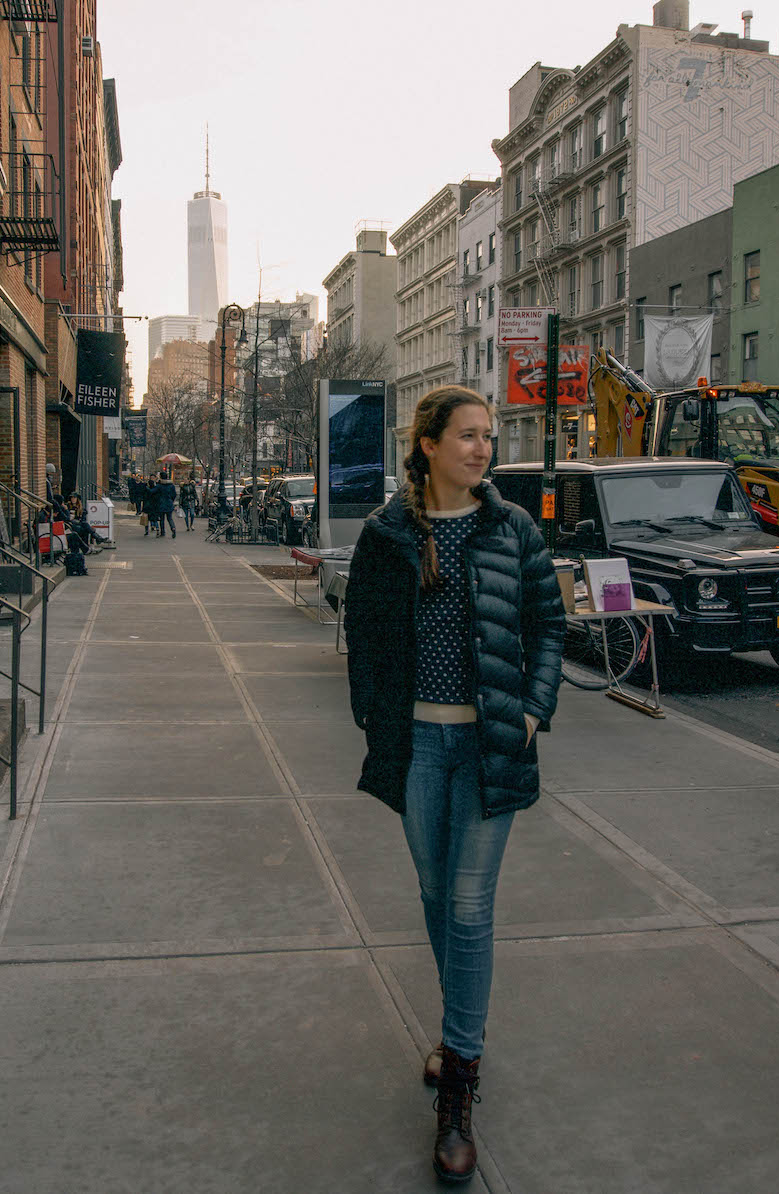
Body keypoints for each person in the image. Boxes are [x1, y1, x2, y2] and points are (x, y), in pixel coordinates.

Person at [344, 385, 564, 1186]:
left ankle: (458, 1088)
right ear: (429, 444)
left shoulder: (513, 529)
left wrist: (534, 712)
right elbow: (363, 639)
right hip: (418, 748)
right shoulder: (388, 534)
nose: (483, 449)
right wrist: (376, 719)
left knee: (469, 906)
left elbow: (548, 627)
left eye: (490, 438)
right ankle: (457, 1032)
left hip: (488, 745)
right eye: (468, 436)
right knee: (438, 898)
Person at [153, 471, 177, 538]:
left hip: (161, 504)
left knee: (162, 519)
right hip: (169, 503)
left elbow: (153, 491)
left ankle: (162, 532)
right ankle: (173, 528)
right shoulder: (171, 485)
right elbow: (174, 494)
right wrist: (171, 500)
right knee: (170, 518)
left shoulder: (159, 485)